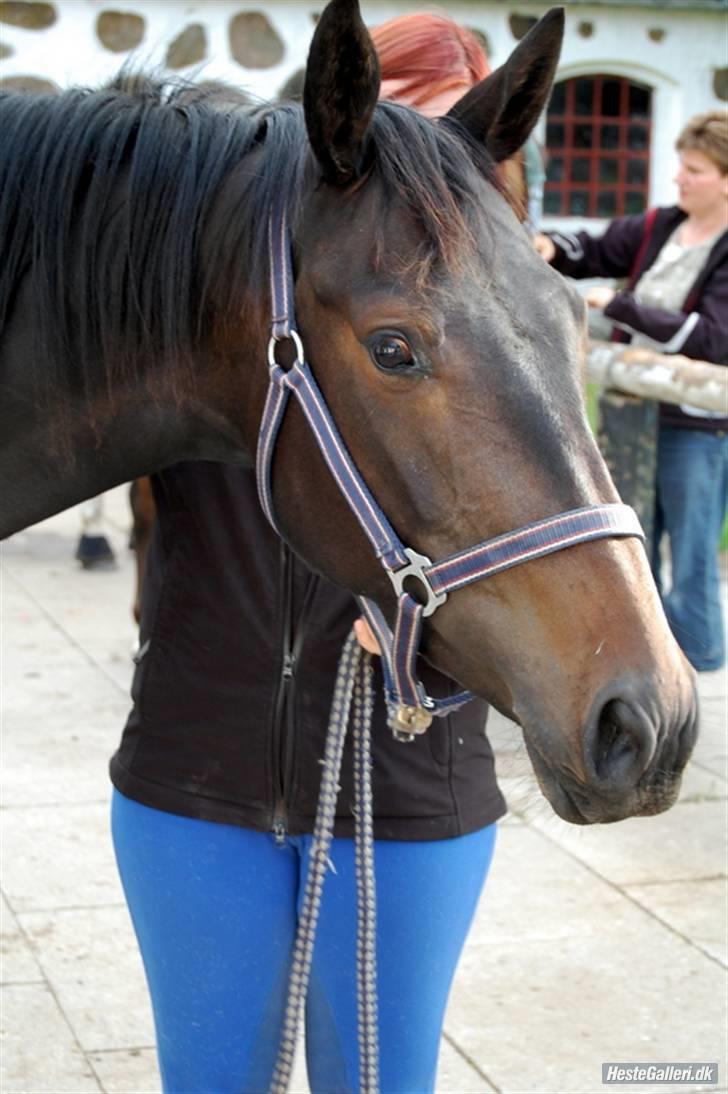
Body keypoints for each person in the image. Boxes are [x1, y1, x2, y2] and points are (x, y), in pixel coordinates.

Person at [111, 16, 506, 1094]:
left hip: (407, 783)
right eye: (392, 138)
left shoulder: (490, 333)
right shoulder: (206, 291)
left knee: (379, 1079)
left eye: (443, 149)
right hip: (192, 773)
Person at [534, 111, 728, 672]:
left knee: (691, 555)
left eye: (694, 170)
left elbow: (712, 339)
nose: (680, 179)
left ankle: (697, 666)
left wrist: (618, 306)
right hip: (631, 419)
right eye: (681, 167)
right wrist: (551, 245)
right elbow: (592, 249)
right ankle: (653, 665)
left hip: (698, 428)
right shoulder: (661, 224)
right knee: (635, 546)